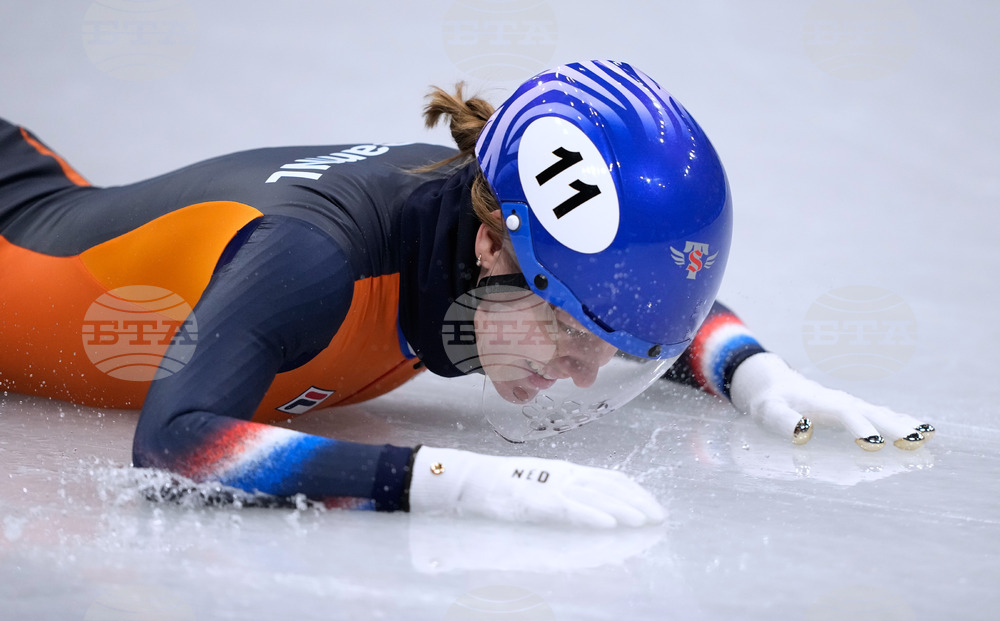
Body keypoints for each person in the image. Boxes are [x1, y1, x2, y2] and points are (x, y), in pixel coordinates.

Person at [0, 60, 932, 527]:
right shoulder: (313, 261)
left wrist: (753, 371)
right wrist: (460, 482)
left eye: (607, 347)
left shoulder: (471, 214)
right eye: (571, 333)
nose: (578, 373)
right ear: (492, 248)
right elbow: (175, 445)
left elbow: (621, 290)